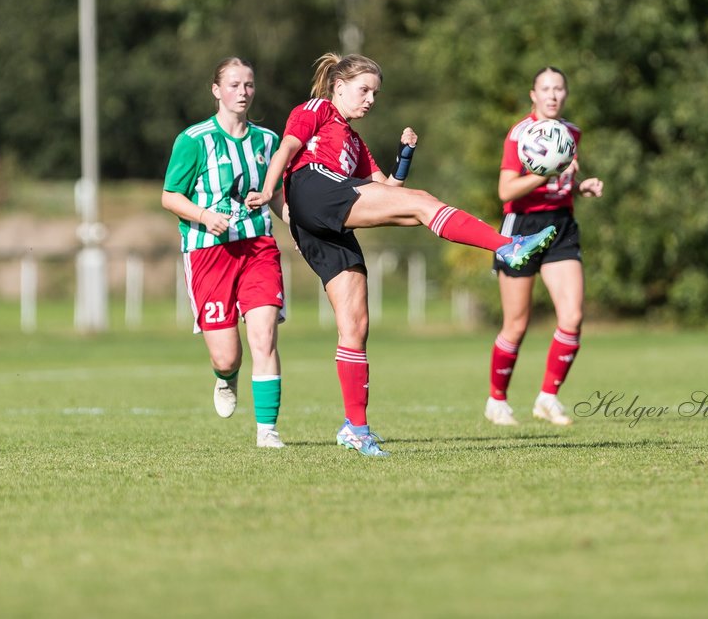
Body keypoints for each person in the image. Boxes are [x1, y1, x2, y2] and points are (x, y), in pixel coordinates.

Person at [244, 53, 558, 458]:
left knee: (356, 325)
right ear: (339, 87)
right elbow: (287, 147)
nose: (371, 99)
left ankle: (355, 429)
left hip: (320, 226)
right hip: (313, 190)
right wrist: (270, 191)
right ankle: (508, 244)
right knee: (423, 204)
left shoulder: (356, 143)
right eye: (364, 90)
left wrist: (404, 155)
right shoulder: (317, 108)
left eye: (376, 92)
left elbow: (388, 189)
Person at [161, 57, 288, 449]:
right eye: (234, 85)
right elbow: (169, 197)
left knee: (264, 337)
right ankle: (225, 376)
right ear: (216, 90)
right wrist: (203, 215)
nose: (243, 92)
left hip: (258, 247)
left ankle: (267, 431)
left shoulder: (268, 141)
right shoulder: (194, 140)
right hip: (208, 253)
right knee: (227, 356)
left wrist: (296, 229)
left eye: (248, 85)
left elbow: (276, 193)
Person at [483, 67, 604, 428]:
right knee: (517, 324)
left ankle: (548, 398)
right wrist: (545, 171)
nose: (553, 95)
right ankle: (497, 400)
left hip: (561, 225)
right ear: (533, 95)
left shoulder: (571, 132)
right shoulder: (520, 134)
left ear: (565, 94)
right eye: (545, 89)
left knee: (573, 316)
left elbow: (564, 180)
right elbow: (506, 191)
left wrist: (581, 187)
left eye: (559, 89)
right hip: (521, 228)